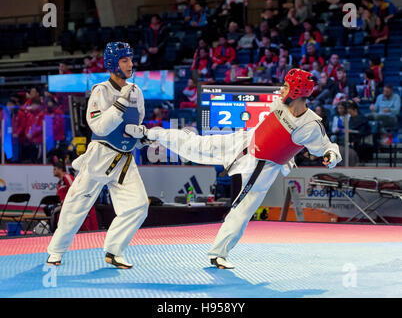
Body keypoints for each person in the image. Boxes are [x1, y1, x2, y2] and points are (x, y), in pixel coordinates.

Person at [125, 69, 342, 269]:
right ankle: (150, 134)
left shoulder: (311, 126)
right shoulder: (280, 102)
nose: (281, 90)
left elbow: (327, 146)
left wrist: (331, 156)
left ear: (296, 92)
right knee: (195, 146)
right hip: (242, 143)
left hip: (264, 167)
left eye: (286, 87)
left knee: (242, 209)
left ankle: (218, 254)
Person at [46, 42, 149, 269]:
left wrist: (143, 137)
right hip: (100, 156)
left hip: (124, 159)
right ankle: (55, 251)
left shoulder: (137, 91)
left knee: (139, 205)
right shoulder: (100, 91)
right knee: (76, 205)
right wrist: (121, 103)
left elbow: (135, 125)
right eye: (124, 60)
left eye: (131, 59)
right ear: (113, 64)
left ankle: (114, 250)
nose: (130, 64)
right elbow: (99, 127)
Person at [51, 162, 99, 233]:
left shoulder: (67, 177)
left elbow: (76, 190)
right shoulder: (59, 183)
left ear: (60, 169)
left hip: (74, 205)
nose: (53, 171)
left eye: (55, 169)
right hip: (64, 206)